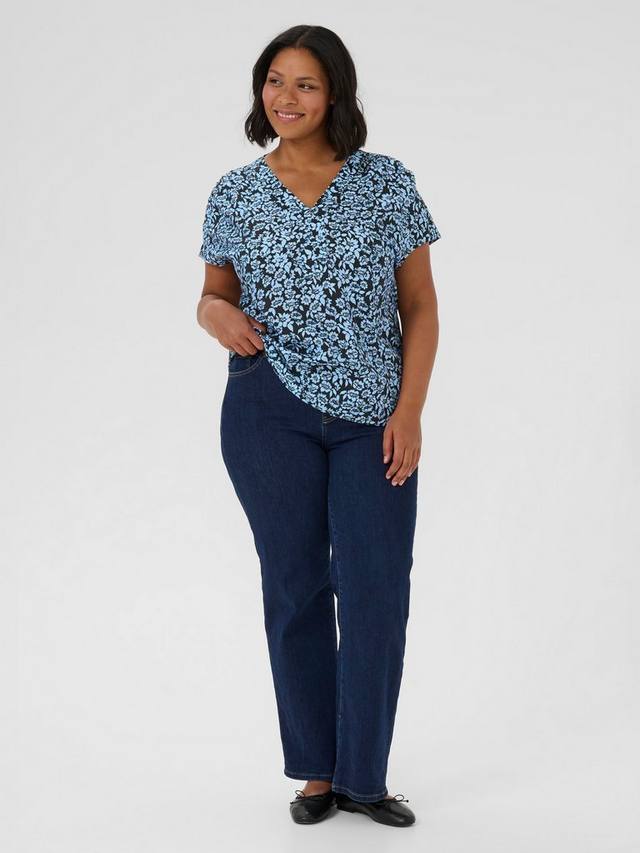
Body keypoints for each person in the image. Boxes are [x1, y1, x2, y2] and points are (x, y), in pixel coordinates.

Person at [196, 25, 441, 829]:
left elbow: (419, 305)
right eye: (275, 80)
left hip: (375, 414)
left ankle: (364, 775)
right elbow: (213, 294)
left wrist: (410, 409)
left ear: (335, 91)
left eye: (305, 83)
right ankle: (316, 772)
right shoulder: (236, 191)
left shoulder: (386, 183)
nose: (286, 97)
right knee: (296, 585)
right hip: (268, 409)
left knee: (377, 587)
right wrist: (216, 314)